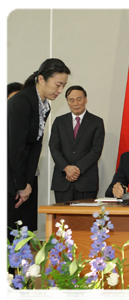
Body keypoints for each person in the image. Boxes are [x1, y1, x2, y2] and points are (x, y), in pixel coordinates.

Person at [5, 58, 70, 241]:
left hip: (16, 171)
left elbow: (35, 146)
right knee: (7, 229)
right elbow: (15, 148)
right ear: (41, 79)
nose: (60, 91)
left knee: (17, 230)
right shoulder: (21, 102)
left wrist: (28, 183)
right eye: (57, 85)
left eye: (63, 86)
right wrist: (20, 185)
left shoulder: (43, 104)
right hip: (7, 169)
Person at [49, 86, 105, 203]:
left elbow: (96, 150)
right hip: (63, 180)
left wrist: (76, 169)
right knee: (62, 219)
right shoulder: (59, 121)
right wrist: (66, 168)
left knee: (85, 220)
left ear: (85, 99)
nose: (75, 103)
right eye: (71, 100)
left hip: (86, 181)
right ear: (67, 102)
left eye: (79, 99)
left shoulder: (96, 122)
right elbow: (54, 147)